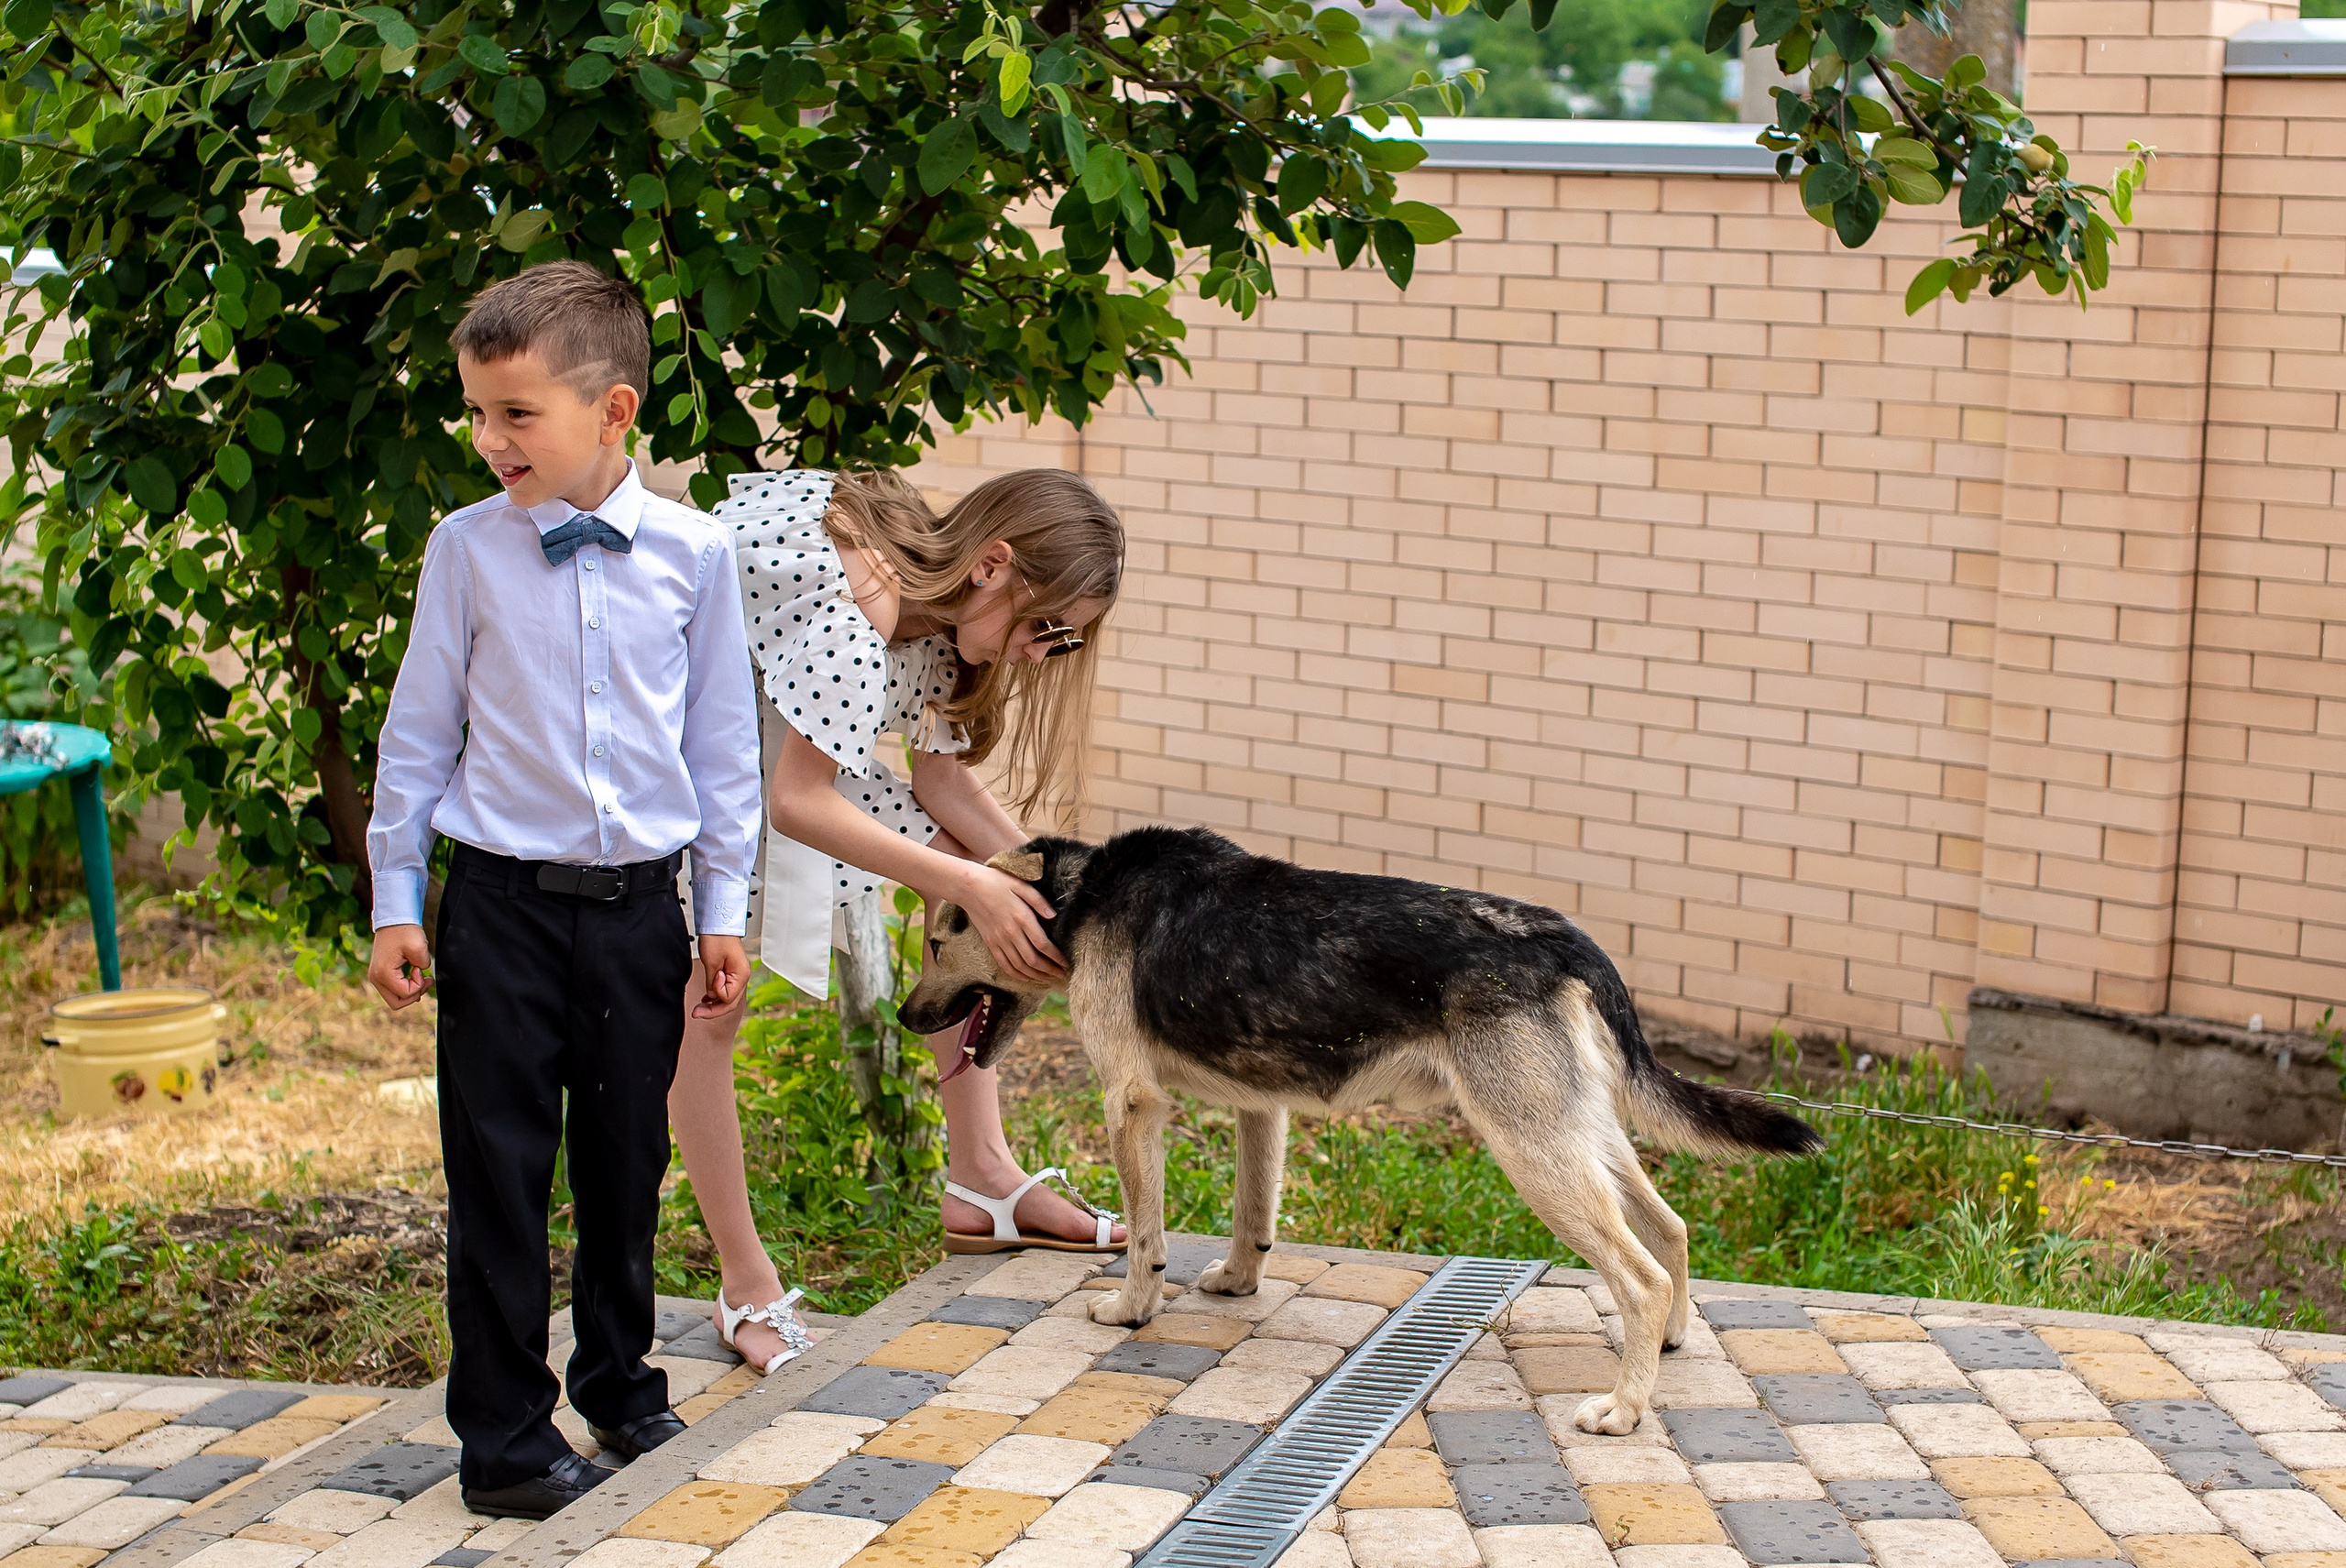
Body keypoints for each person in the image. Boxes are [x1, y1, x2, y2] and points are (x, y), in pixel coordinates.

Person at [364, 261, 762, 1519]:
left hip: (641, 910)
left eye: (516, 413)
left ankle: (620, 1381)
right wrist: (396, 896)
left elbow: (722, 749)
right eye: (478, 413)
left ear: (614, 410)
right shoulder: (465, 551)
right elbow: (417, 737)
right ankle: (505, 1441)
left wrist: (723, 911)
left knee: (625, 1158)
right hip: (501, 911)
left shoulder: (697, 554)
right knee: (499, 1169)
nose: (491, 440)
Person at [666, 466, 1130, 1374]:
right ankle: (745, 1281)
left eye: (1065, 640)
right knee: (707, 1000)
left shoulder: (939, 619)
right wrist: (978, 884)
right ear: (993, 564)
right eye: (1045, 627)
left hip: (762, 751)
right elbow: (798, 801)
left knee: (961, 877)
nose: (1043, 656)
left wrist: (1064, 888)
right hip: (681, 755)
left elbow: (941, 785)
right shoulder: (857, 616)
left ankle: (982, 1175)